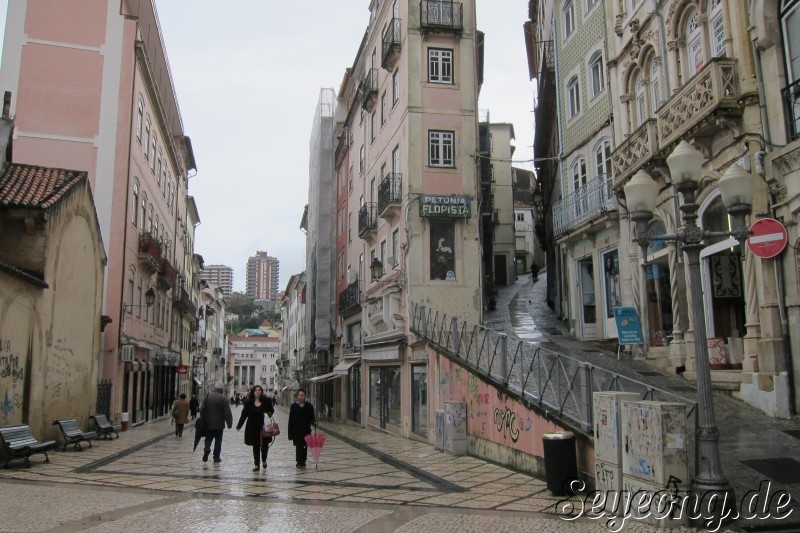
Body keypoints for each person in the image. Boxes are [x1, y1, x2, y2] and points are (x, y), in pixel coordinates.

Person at [236, 385, 275, 472]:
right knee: (255, 446)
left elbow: (272, 411)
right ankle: (257, 464)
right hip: (253, 428)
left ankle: (264, 459)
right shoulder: (248, 403)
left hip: (265, 427)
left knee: (264, 445)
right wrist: (239, 426)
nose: (257, 391)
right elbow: (244, 415)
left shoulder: (266, 401)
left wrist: (268, 414)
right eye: (256, 390)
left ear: (261, 392)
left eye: (259, 390)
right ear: (253, 392)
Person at [200, 381, 233, 463]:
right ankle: (216, 457)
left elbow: (202, 408)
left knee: (208, 439)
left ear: (215, 387)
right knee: (218, 442)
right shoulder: (223, 398)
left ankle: (207, 449)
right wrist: (229, 424)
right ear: (222, 389)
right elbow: (227, 413)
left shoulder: (208, 396)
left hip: (208, 423)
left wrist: (202, 418)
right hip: (219, 425)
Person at [287, 389, 316, 468]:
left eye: (302, 395)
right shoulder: (294, 406)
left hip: (306, 430)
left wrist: (314, 423)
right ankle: (299, 461)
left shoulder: (309, 406)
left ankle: (303, 460)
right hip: (296, 430)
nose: (301, 397)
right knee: (298, 446)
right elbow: (291, 420)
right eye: (299, 395)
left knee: (304, 446)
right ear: (297, 397)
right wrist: (290, 433)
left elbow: (312, 418)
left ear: (305, 396)